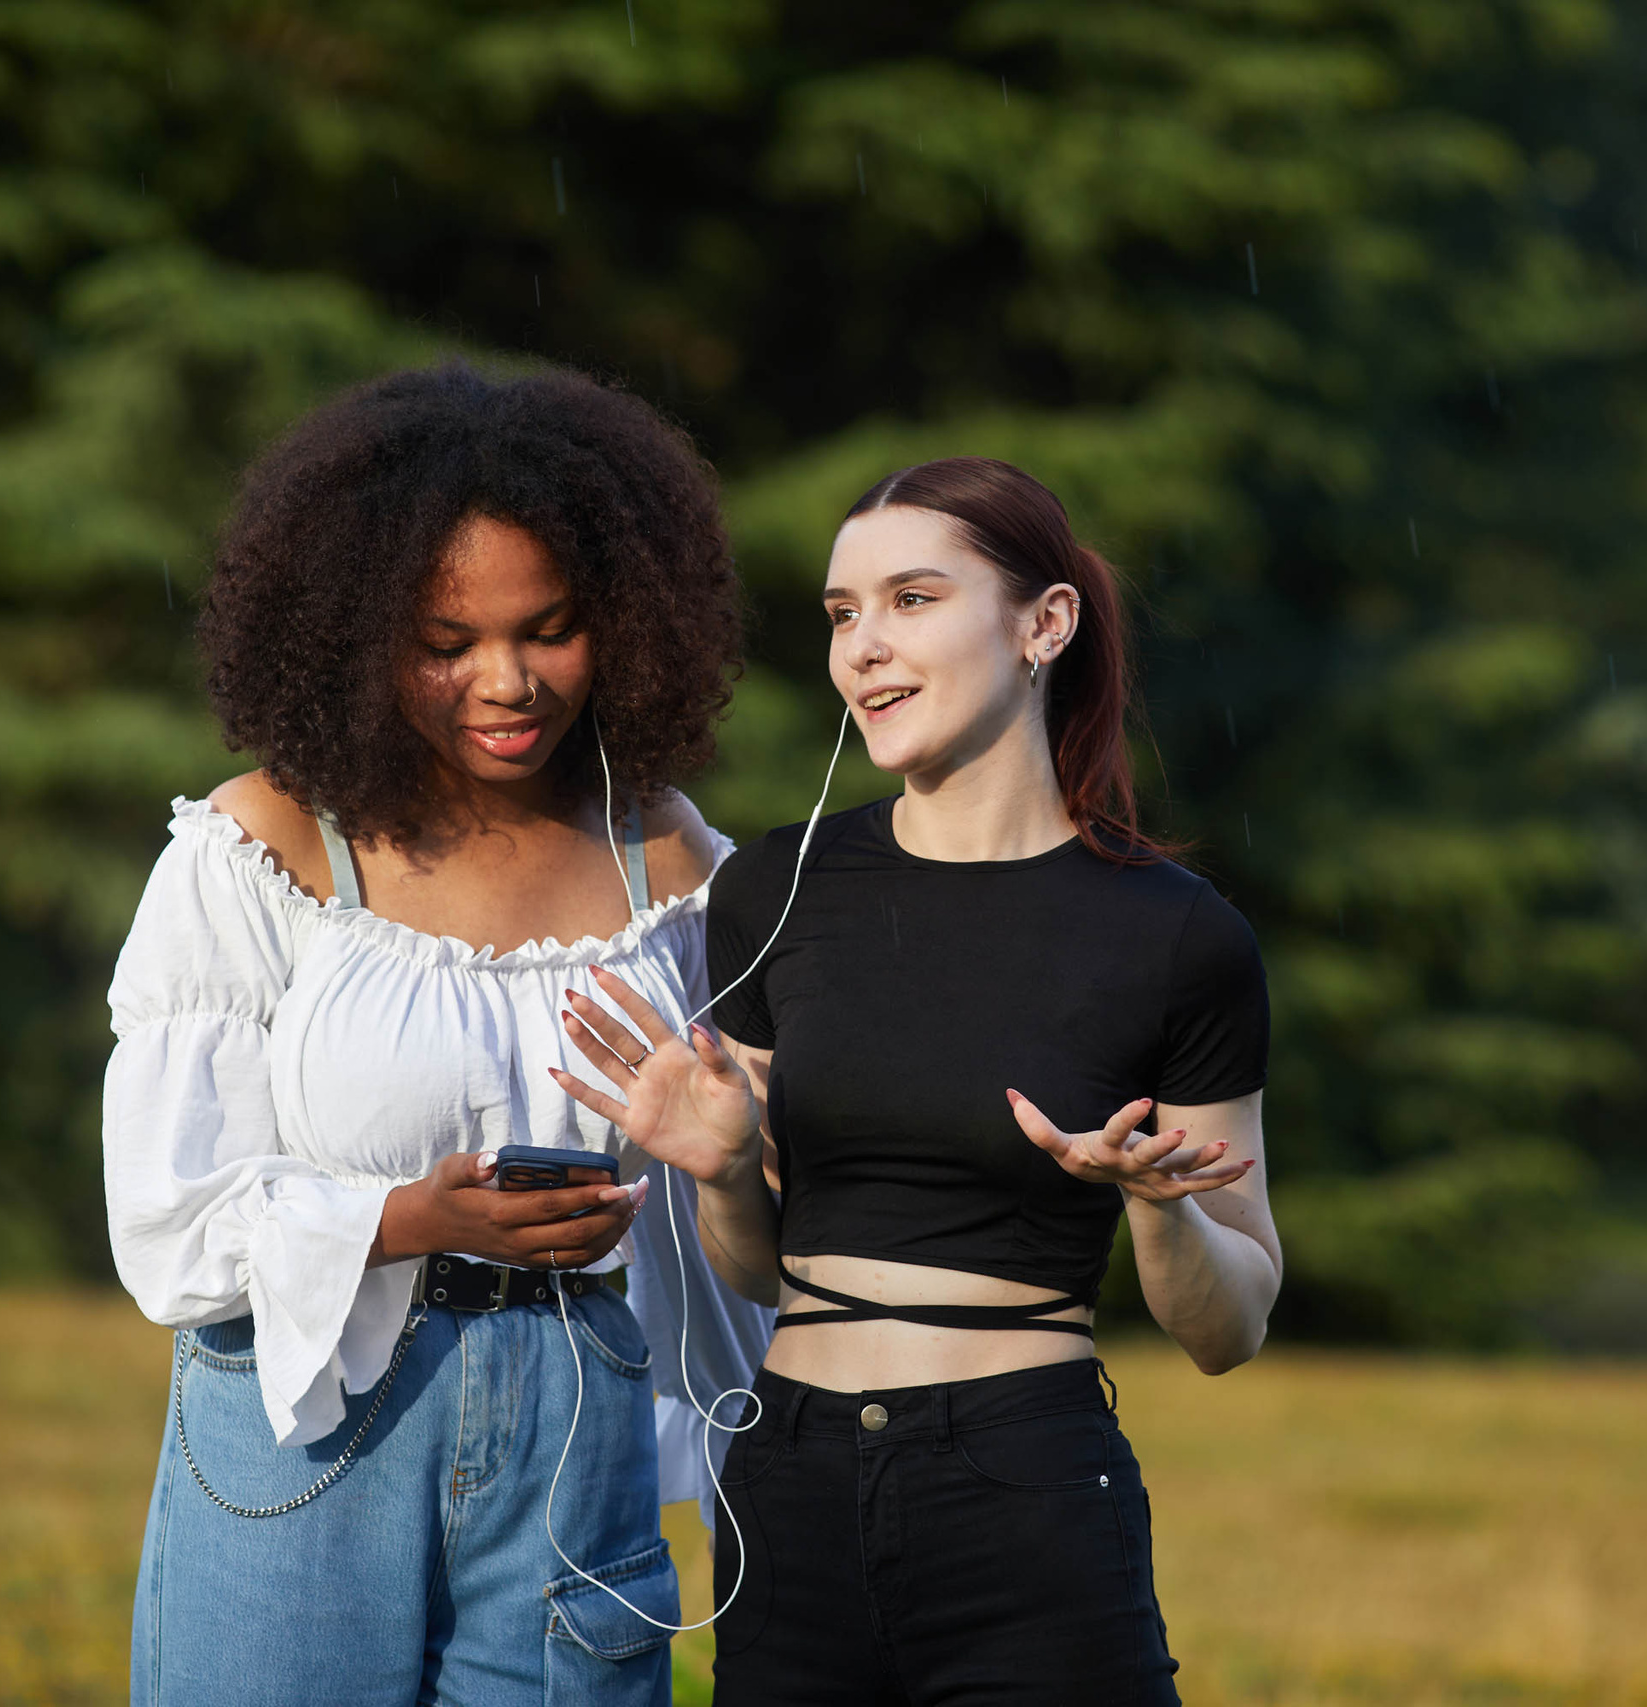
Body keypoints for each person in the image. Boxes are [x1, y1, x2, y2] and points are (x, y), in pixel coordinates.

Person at [553, 454, 1283, 1706]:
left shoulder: (1177, 936)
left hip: (1027, 1485)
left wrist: (1156, 1208)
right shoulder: (772, 890)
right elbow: (757, 1268)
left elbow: (1233, 1326)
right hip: (787, 1479)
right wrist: (726, 1170)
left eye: (912, 600)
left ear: (1043, 624)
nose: (864, 650)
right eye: (843, 615)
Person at [101, 361, 772, 1707]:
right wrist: (413, 1214)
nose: (508, 680)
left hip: (579, 1418)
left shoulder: (673, 862)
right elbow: (165, 1218)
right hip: (309, 1430)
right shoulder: (267, 845)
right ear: (353, 633)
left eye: (550, 626)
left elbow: (745, 1191)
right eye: (445, 640)